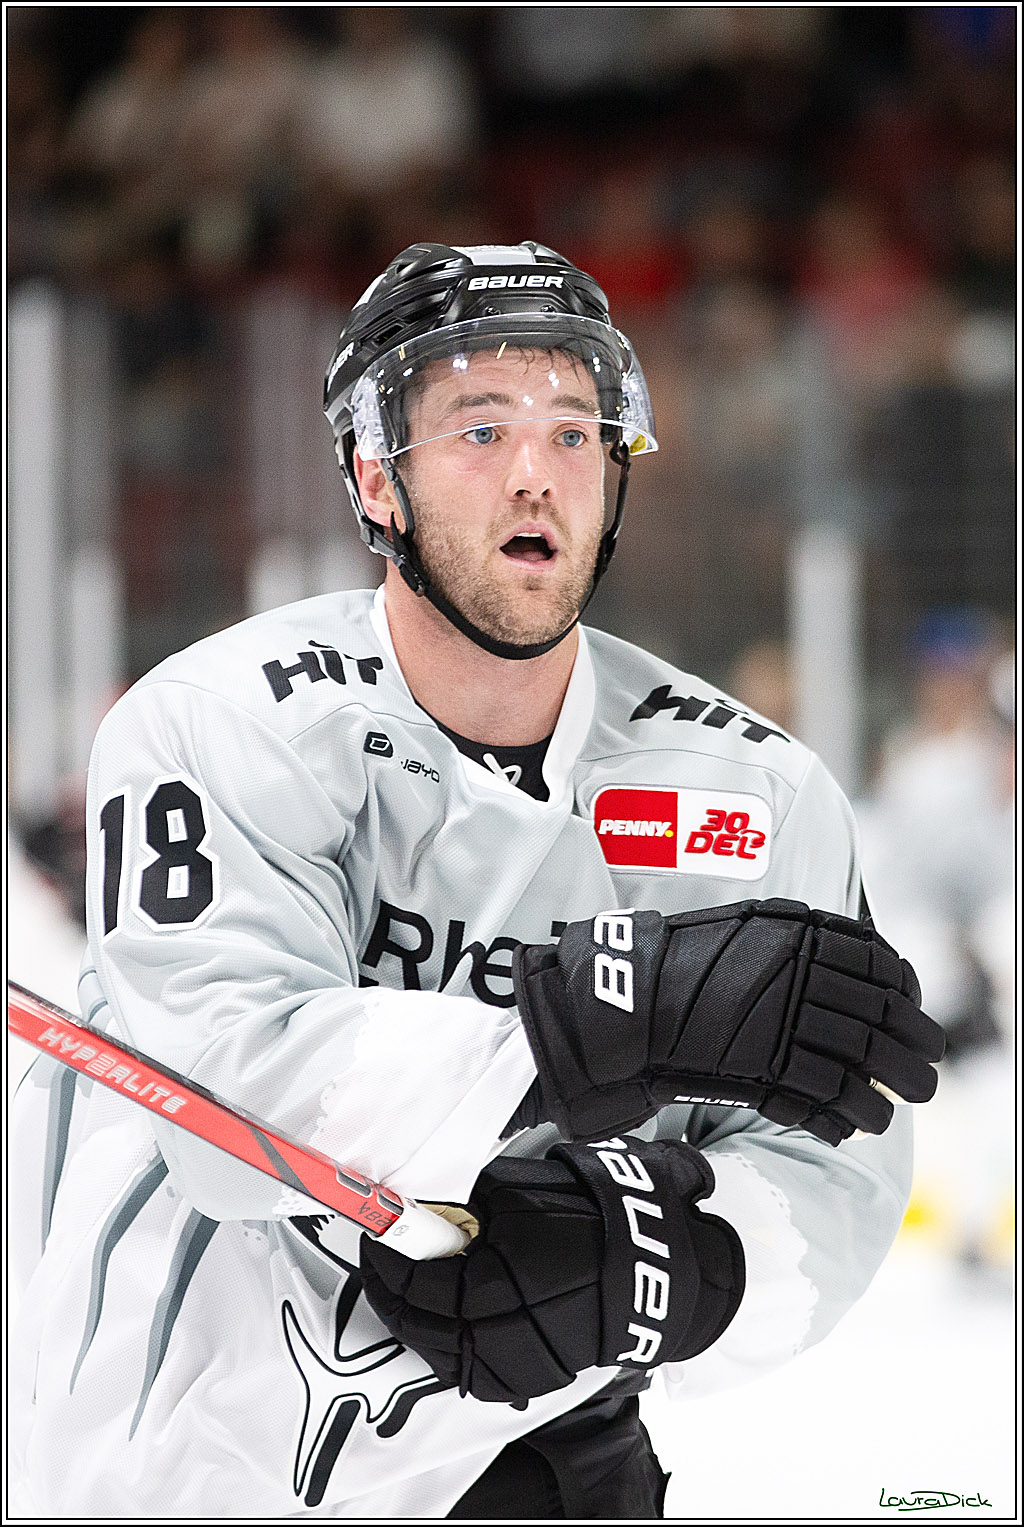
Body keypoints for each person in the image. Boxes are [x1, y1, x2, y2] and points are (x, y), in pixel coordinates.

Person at [9, 242, 943, 1519]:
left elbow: (837, 1168)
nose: (532, 473)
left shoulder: (754, 795)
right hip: (173, 1453)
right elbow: (227, 1105)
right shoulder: (219, 724)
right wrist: (611, 1014)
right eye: (476, 426)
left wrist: (675, 1262)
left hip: (528, 1455)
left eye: (574, 432)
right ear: (371, 474)